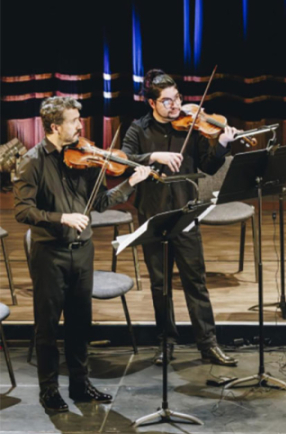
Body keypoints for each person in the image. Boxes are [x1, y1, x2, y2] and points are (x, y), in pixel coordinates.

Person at [14, 97, 153, 411]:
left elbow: (99, 203)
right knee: (47, 326)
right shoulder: (32, 161)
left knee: (80, 322)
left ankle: (80, 385)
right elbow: (22, 211)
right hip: (49, 253)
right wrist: (61, 217)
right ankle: (48, 390)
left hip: (83, 250)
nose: (80, 126)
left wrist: (130, 182)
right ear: (54, 126)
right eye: (74, 120)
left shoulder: (85, 156)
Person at [122, 69, 238, 367]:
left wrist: (222, 144)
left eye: (177, 99)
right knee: (160, 285)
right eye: (166, 102)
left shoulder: (191, 127)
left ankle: (208, 344)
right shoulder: (139, 129)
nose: (175, 107)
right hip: (154, 216)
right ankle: (166, 342)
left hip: (186, 215)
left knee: (195, 282)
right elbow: (122, 160)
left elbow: (210, 167)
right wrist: (153, 157)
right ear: (152, 103)